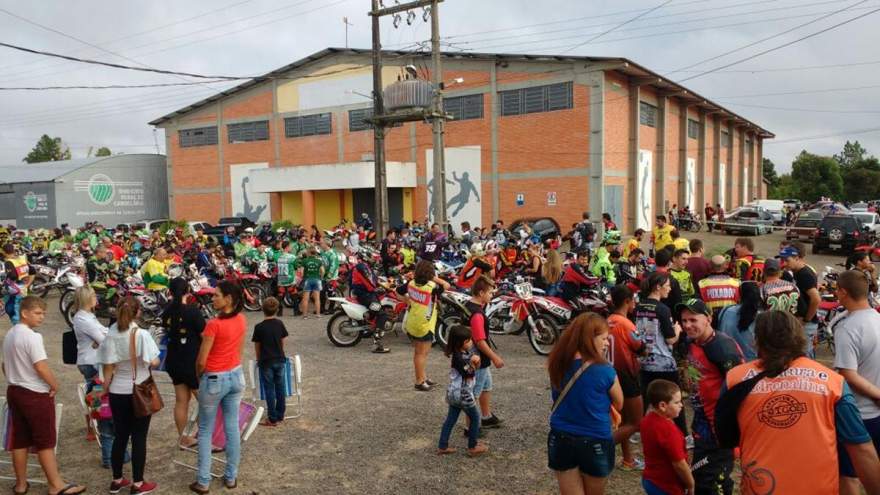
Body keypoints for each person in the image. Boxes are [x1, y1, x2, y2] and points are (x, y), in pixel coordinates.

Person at [721, 311, 880, 495]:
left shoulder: (735, 379)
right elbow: (861, 448)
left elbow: (725, 437)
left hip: (762, 487)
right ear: (799, 336)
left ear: (757, 340)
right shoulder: (831, 382)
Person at [3, 296, 86, 495]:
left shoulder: (10, 334)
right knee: (45, 440)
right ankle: (55, 485)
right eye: (38, 313)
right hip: (34, 393)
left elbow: (4, 365)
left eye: (43, 313)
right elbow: (40, 366)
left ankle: (21, 484)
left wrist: (16, 377)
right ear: (25, 313)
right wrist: (54, 385)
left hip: (15, 390)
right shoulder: (32, 337)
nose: (42, 317)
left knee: (20, 439)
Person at [546, 313, 623, 495]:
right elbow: (619, 403)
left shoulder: (557, 364)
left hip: (561, 436)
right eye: (604, 339)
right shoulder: (605, 370)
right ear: (589, 339)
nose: (607, 344)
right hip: (595, 438)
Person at [677, 299, 743, 494]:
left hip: (719, 430)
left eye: (693, 320)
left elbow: (739, 391)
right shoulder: (691, 341)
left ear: (708, 318)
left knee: (712, 482)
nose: (687, 325)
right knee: (702, 478)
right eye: (684, 320)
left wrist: (735, 436)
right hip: (701, 423)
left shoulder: (722, 347)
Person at [98, 297, 161, 495]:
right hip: (138, 389)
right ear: (138, 312)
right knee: (139, 438)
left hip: (117, 390)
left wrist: (105, 388)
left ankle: (117, 480)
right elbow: (154, 362)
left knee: (120, 436)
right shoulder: (141, 334)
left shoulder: (111, 334)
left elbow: (108, 366)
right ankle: (138, 483)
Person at [190, 281, 247, 494]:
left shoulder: (213, 325)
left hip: (214, 377)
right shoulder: (241, 320)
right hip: (235, 374)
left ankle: (203, 481)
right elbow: (239, 350)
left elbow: (201, 360)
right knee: (232, 428)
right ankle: (231, 476)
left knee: (205, 429)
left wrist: (199, 376)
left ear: (228, 299)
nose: (213, 299)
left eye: (216, 295)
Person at [832, 271, 880, 495]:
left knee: (848, 474)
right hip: (873, 413)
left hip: (859, 414)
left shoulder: (848, 328)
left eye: (837, 289)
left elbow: (848, 374)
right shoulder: (877, 318)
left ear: (843, 292)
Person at [637, 272, 687, 437]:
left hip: (645, 361)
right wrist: (678, 330)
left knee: (646, 399)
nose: (670, 288)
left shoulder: (639, 306)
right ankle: (683, 434)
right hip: (663, 362)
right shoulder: (663, 309)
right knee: (675, 399)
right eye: (667, 285)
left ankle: (640, 432)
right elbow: (671, 339)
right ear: (658, 287)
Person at [161, 278, 206, 449]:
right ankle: (205, 433)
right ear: (188, 291)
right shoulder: (192, 312)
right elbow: (204, 335)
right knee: (204, 399)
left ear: (170, 292)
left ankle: (183, 438)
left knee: (181, 400)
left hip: (173, 359)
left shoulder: (167, 312)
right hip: (191, 359)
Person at [607, 285, 646, 471]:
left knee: (623, 421)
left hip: (610, 373)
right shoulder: (625, 324)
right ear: (626, 301)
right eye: (633, 300)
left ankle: (628, 460)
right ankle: (600, 447)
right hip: (626, 375)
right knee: (636, 422)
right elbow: (641, 347)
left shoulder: (607, 321)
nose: (635, 303)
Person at [437, 325, 487, 456]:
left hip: (453, 393)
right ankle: (473, 446)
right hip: (463, 394)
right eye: (469, 340)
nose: (471, 342)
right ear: (463, 342)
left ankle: (443, 445)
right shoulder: (459, 358)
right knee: (475, 418)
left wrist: (476, 361)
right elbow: (469, 373)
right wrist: (473, 363)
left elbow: (473, 367)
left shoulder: (460, 354)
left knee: (451, 419)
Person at [640, 380, 694, 495]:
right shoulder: (669, 431)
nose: (681, 405)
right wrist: (691, 484)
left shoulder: (647, 420)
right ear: (663, 406)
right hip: (666, 486)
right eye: (677, 402)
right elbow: (679, 464)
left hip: (650, 478)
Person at [71, 285, 109, 441]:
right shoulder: (83, 318)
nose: (96, 298)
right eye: (93, 295)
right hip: (91, 361)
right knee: (95, 395)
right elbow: (102, 337)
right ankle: (97, 428)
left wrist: (100, 338)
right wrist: (99, 339)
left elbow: (104, 332)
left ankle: (95, 427)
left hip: (92, 359)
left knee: (94, 394)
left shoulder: (87, 316)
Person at [467, 276, 504, 431]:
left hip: (477, 357)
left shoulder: (470, 305)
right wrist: (494, 357)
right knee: (474, 393)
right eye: (490, 292)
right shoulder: (477, 314)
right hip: (478, 358)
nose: (491, 295)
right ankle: (470, 427)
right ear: (481, 293)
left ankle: (486, 416)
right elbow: (480, 341)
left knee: (486, 386)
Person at [399, 261, 443, 391]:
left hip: (413, 321)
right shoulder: (432, 287)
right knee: (421, 354)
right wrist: (434, 278)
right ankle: (419, 381)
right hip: (425, 324)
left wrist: (407, 301)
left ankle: (423, 377)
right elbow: (446, 285)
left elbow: (398, 291)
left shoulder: (411, 283)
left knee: (421, 353)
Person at [779, 243, 821, 358]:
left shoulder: (804, 274)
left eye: (787, 261)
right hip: (801, 321)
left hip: (806, 323)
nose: (784, 264)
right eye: (783, 260)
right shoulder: (797, 272)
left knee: (804, 355)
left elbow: (816, 299)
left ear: (797, 258)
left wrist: (806, 319)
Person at [252, 297, 289, 426]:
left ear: (263, 309)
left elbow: (257, 345)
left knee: (269, 389)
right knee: (280, 387)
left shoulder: (259, 327)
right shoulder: (280, 323)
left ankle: (272, 418)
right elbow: (282, 340)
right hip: (279, 359)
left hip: (266, 360)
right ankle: (280, 414)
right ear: (277, 309)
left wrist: (258, 358)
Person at [351, 252, 391, 353]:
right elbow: (370, 283)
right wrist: (377, 289)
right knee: (382, 314)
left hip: (368, 294)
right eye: (373, 258)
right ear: (367, 258)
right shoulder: (362, 267)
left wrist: (388, 285)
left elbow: (374, 280)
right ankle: (377, 345)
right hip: (365, 296)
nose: (375, 260)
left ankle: (369, 320)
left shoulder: (365, 267)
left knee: (379, 308)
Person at [697, 255, 740, 327]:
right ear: (725, 266)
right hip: (730, 322)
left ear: (710, 266)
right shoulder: (736, 283)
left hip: (710, 323)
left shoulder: (702, 284)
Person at [3, 243, 32, 324]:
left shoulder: (8, 262)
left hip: (14, 289)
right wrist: (28, 283)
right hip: (24, 287)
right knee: (21, 307)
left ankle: (18, 327)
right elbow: (32, 270)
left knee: (13, 310)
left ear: (4, 252)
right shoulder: (22, 259)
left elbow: (12, 276)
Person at [297, 246, 324, 319]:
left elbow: (302, 272)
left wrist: (303, 277)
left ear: (308, 252)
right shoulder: (319, 261)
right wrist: (321, 277)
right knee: (317, 298)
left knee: (305, 299)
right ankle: (318, 315)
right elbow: (322, 271)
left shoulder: (304, 261)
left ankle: (305, 315)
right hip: (317, 280)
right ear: (315, 253)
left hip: (307, 280)